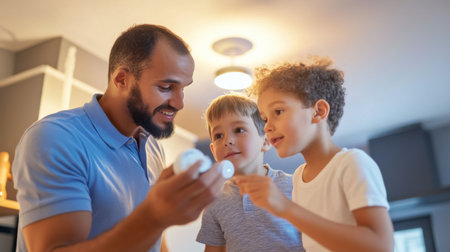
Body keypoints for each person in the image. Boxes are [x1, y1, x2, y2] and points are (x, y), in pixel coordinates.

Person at [12, 24, 226, 252]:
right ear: (122, 79)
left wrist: (157, 220)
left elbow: (153, 239)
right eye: (166, 87)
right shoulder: (55, 138)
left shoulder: (152, 146)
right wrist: (154, 217)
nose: (179, 103)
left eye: (183, 88)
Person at [233, 57, 394, 252]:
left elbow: (380, 246)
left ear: (318, 111)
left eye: (278, 111)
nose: (267, 126)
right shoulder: (299, 179)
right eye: (265, 118)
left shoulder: (352, 163)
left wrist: (286, 208)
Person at [196, 93, 304, 252]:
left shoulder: (294, 185)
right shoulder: (214, 200)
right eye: (218, 135)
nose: (227, 141)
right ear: (213, 150)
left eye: (239, 130)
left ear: (266, 141)